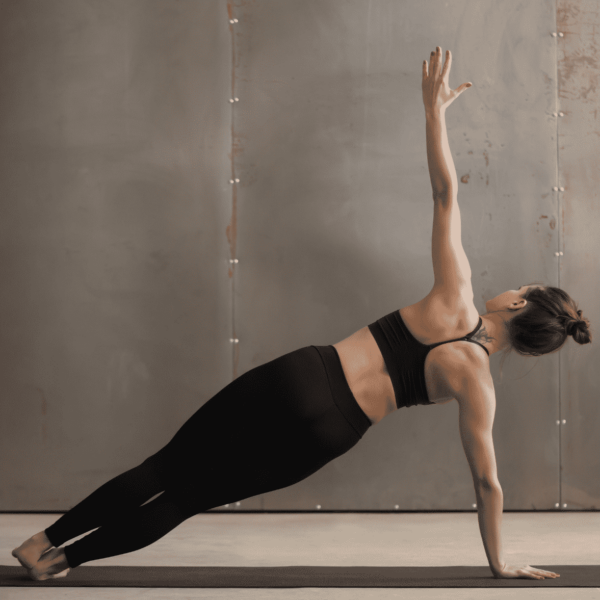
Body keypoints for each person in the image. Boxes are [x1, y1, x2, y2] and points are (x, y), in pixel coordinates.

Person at [13, 47, 587, 583]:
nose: (509, 286)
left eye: (520, 286)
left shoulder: (456, 296)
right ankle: (64, 560)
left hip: (306, 376)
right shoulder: (479, 385)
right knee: (187, 498)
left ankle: (42, 540)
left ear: (518, 302)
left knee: (166, 468)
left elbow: (444, 195)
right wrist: (501, 563)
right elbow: (487, 482)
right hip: (333, 432)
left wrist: (433, 113)